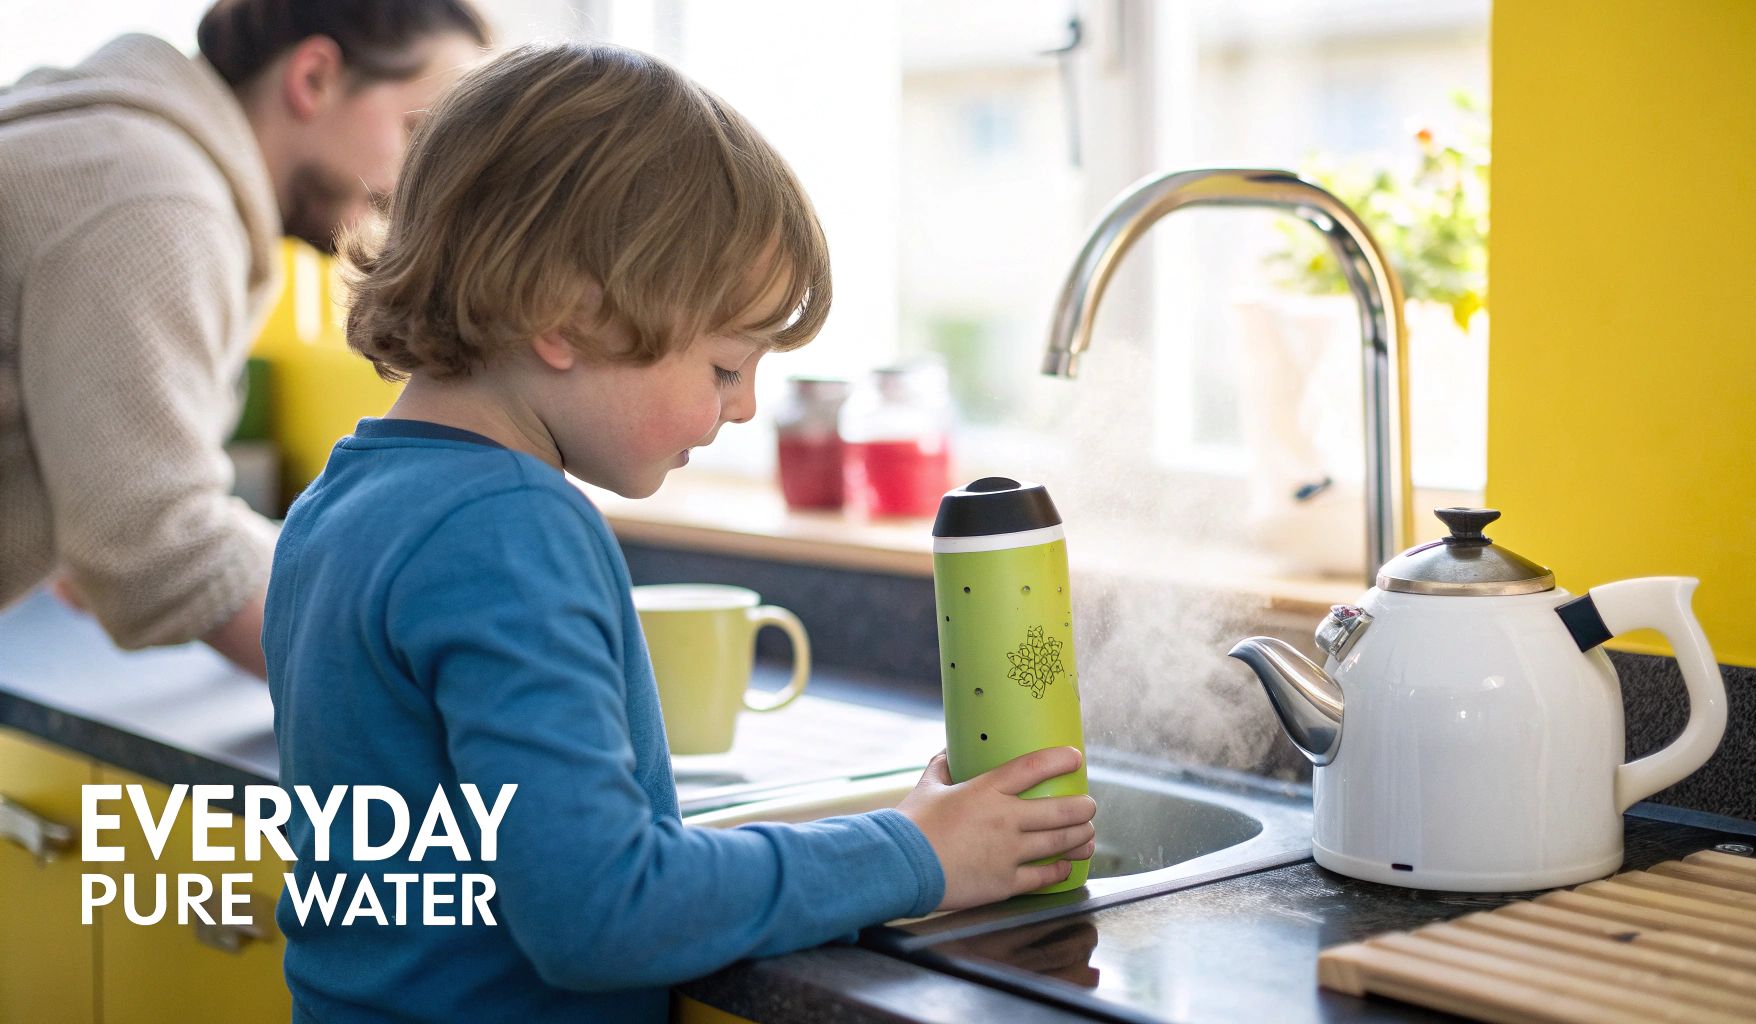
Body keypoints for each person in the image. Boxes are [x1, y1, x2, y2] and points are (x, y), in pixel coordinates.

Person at [263, 43, 1098, 1023]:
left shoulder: (338, 502)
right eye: (722, 366)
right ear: (564, 315)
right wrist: (916, 855)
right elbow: (602, 909)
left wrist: (904, 833)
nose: (744, 408)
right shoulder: (512, 528)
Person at [0, 0, 489, 676]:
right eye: (420, 139)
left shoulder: (111, 144)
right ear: (313, 77)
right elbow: (159, 552)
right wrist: (417, 685)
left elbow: (118, 526)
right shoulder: (154, 198)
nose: (422, 193)